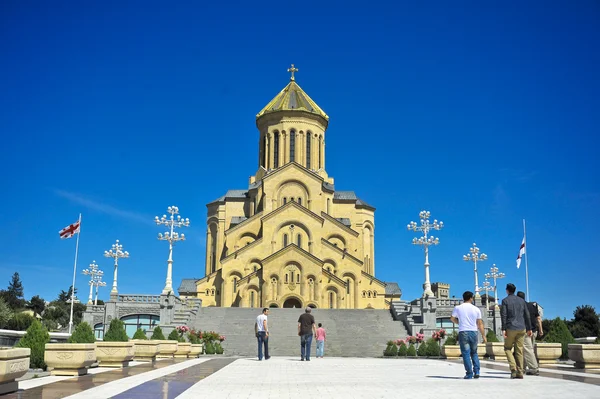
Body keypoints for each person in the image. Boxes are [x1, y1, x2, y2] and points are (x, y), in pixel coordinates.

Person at [450, 291, 487, 379]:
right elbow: (480, 323)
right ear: (471, 298)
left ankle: (469, 373)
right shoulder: (476, 309)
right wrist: (483, 335)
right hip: (473, 332)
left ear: (463, 298)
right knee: (474, 353)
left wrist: (458, 322)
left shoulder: (458, 308)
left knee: (466, 354)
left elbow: (452, 318)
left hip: (463, 332)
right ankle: (477, 371)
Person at [501, 283, 532, 379]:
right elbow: (527, 315)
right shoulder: (522, 301)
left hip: (511, 327)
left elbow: (504, 315)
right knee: (519, 350)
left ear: (507, 290)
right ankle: (520, 372)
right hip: (522, 328)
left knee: (507, 348)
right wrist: (529, 328)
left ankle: (513, 368)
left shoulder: (505, 301)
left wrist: (503, 328)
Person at [517, 291, 543, 376]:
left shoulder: (520, 307)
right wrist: (541, 330)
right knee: (528, 349)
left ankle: (533, 368)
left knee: (527, 349)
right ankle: (523, 368)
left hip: (526, 331)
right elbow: (538, 318)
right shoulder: (532, 306)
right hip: (534, 331)